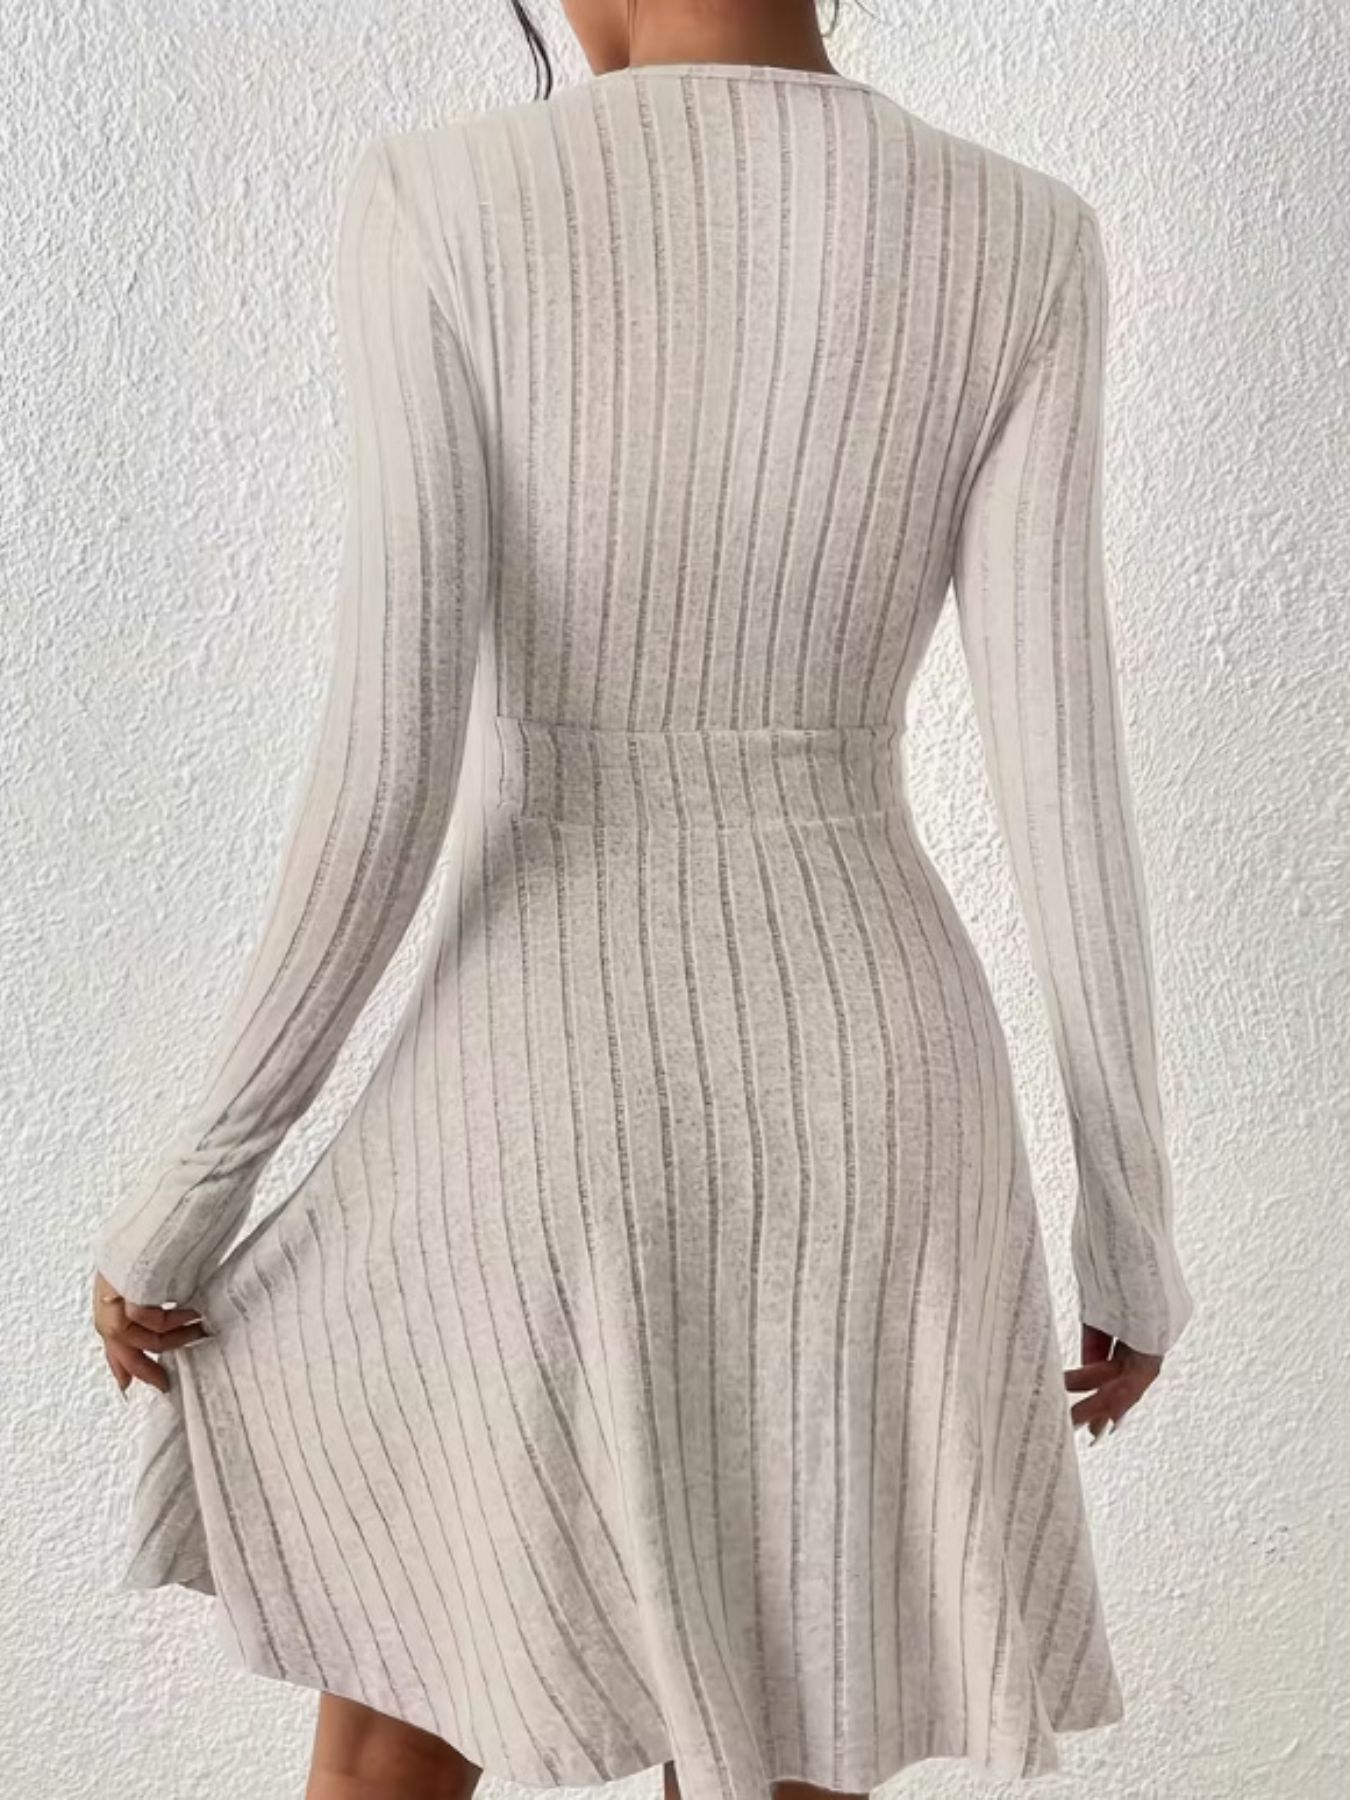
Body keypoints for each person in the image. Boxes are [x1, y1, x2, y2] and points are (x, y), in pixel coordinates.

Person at [90, 2, 1196, 1797]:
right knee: (798, 1731)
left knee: (394, 1730)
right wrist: (1126, 1219)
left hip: (539, 1075)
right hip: (874, 1081)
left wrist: (199, 1183)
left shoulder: (445, 199)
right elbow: (1062, 773)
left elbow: (387, 764)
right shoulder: (1019, 232)